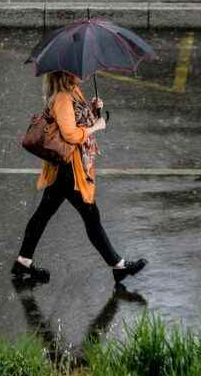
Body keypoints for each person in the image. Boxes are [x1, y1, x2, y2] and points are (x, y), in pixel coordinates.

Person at [13, 70, 148, 283]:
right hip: (69, 168)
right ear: (67, 74)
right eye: (78, 72)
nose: (83, 74)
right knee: (90, 215)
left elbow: (78, 122)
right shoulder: (63, 98)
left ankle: (23, 261)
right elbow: (71, 134)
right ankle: (118, 265)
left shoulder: (73, 92)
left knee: (44, 213)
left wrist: (94, 109)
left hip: (67, 167)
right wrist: (96, 127)